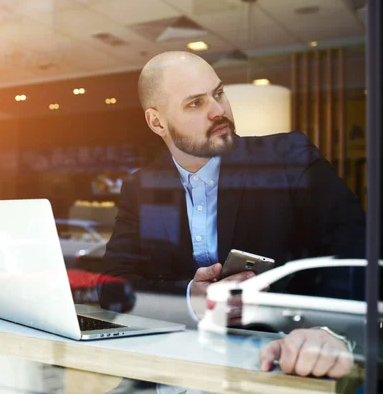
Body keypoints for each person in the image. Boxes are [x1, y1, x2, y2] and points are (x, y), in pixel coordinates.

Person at [99, 51, 366, 322]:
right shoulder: (140, 187)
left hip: (286, 346)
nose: (218, 111)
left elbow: (357, 255)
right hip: (178, 350)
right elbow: (111, 286)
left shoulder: (290, 158)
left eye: (218, 93)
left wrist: (325, 333)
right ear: (157, 123)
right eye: (195, 103)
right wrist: (190, 300)